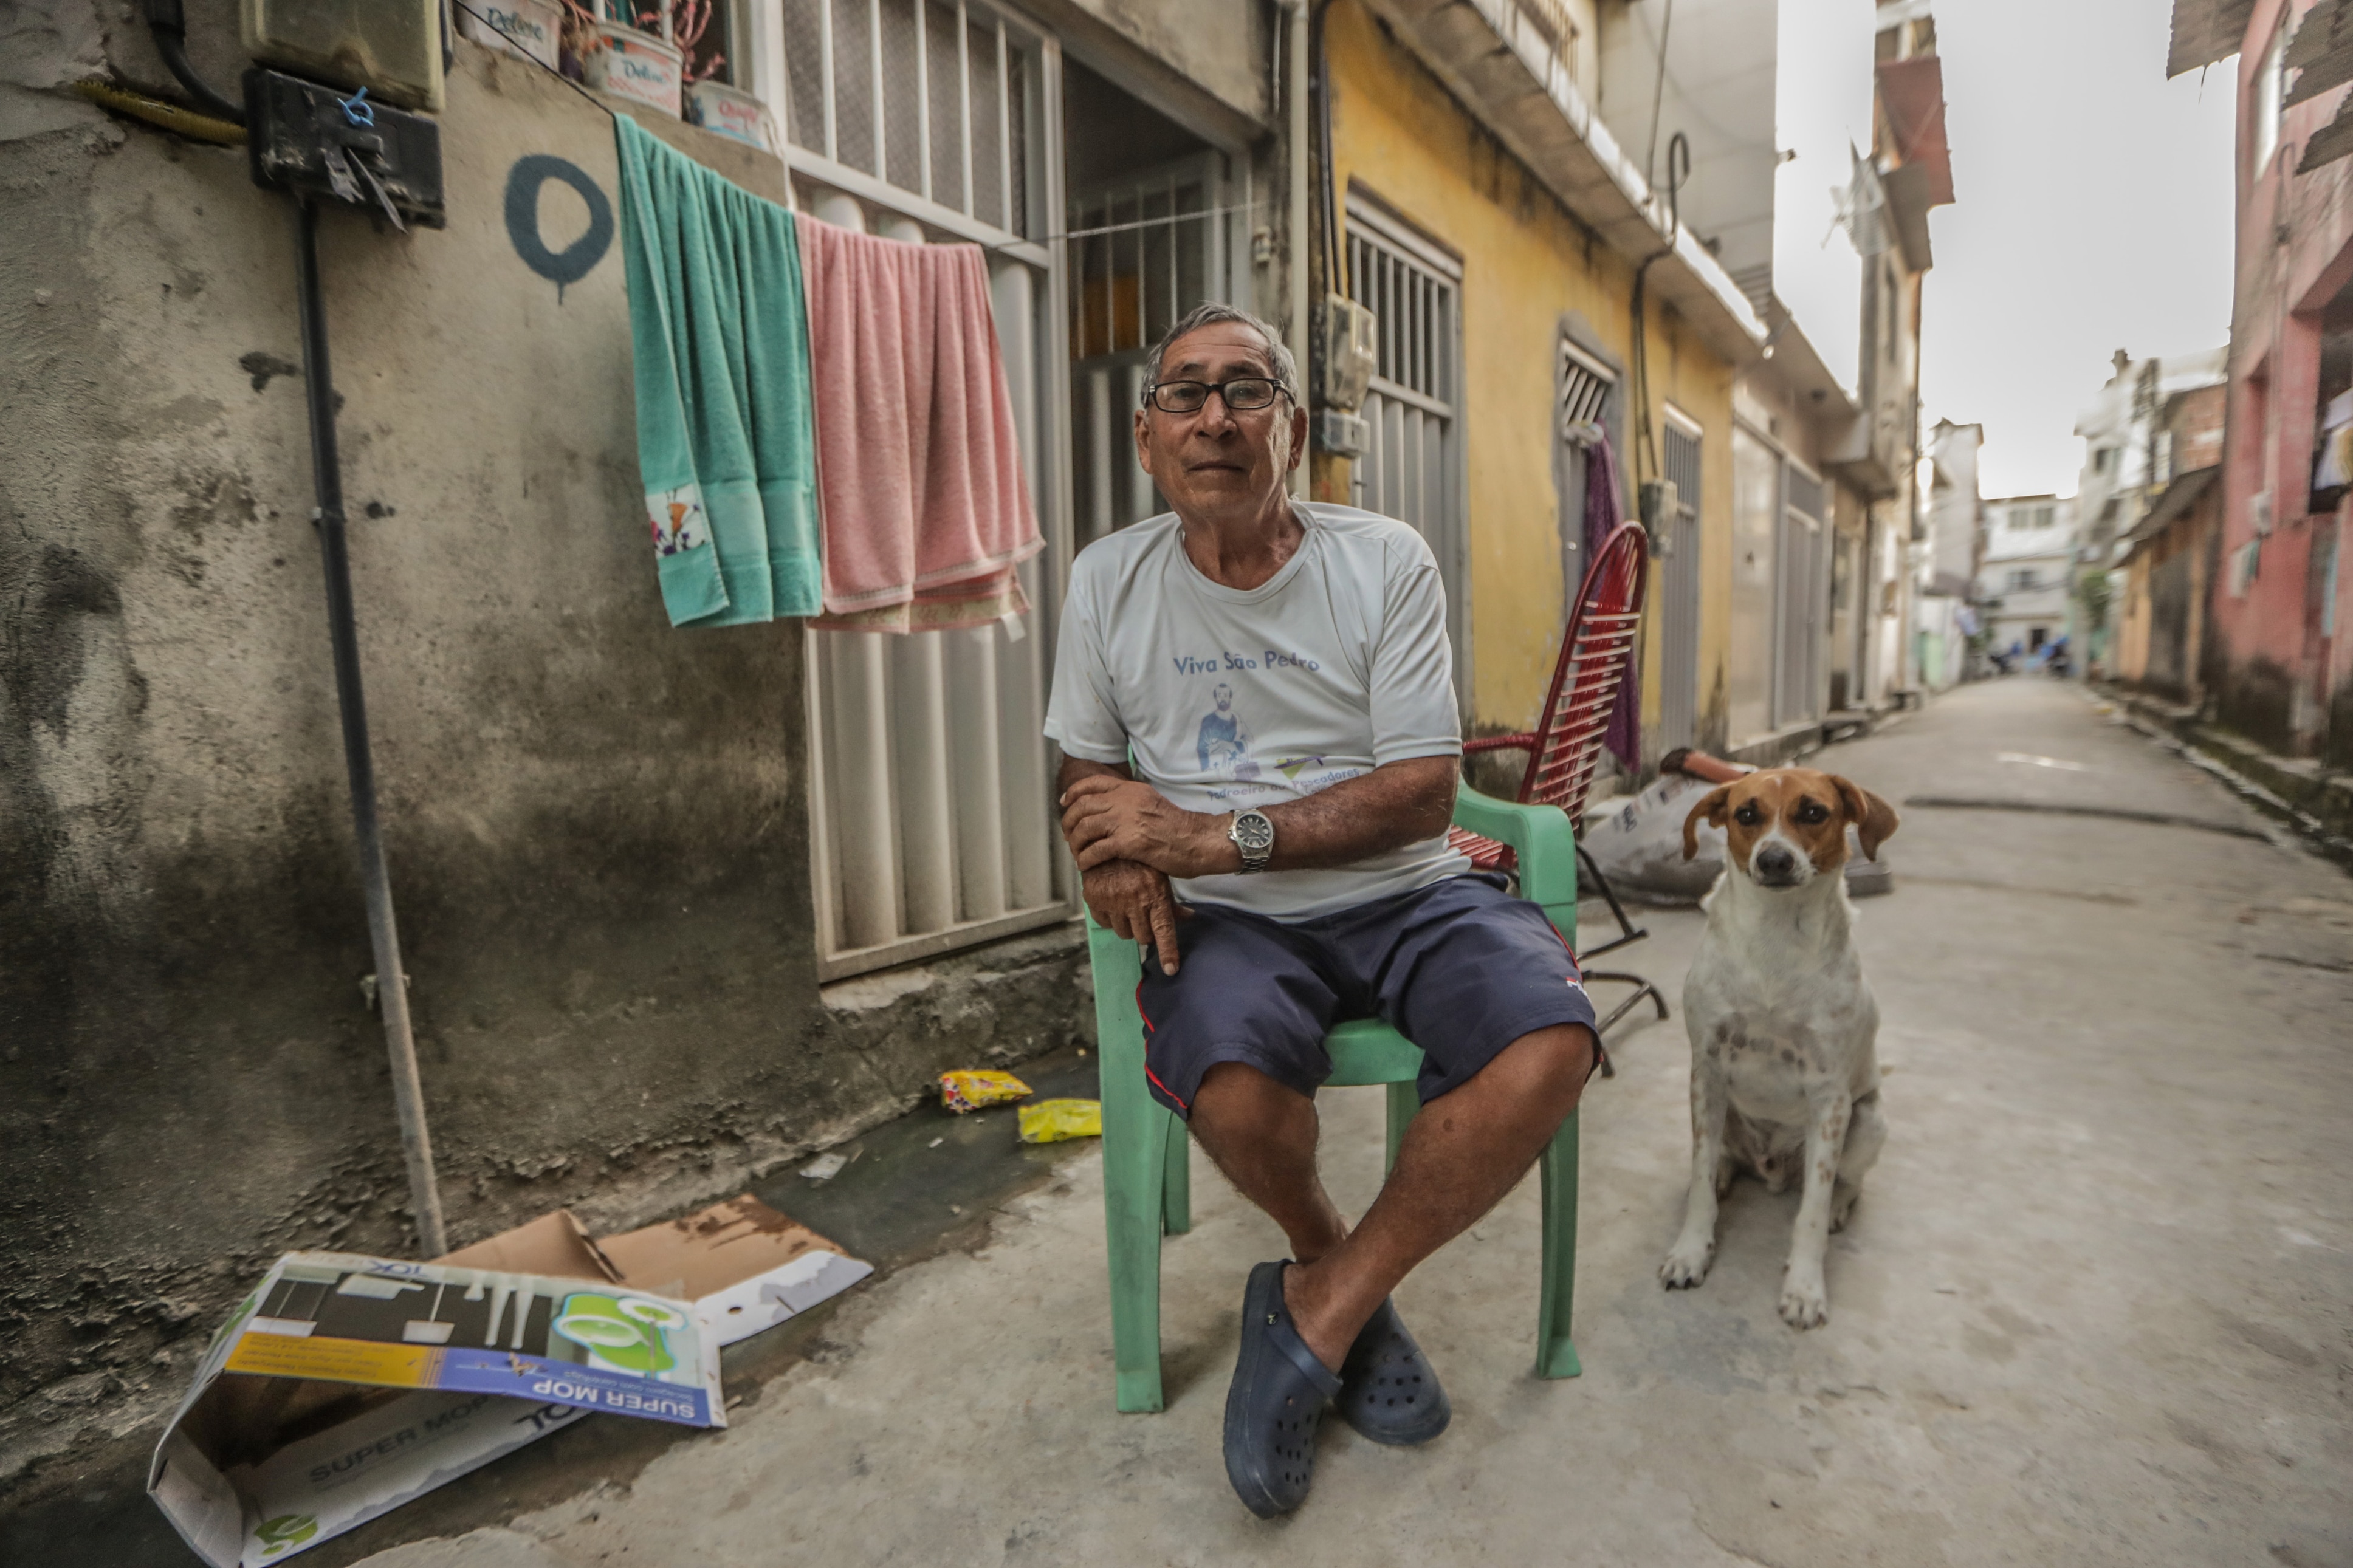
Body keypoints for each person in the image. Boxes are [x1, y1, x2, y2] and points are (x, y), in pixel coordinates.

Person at [1045, 303, 1601, 1518]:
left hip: (1407, 893)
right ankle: (1325, 1255)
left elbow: (1417, 793)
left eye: (1247, 390)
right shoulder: (1108, 581)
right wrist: (1107, 846)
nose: (1215, 418)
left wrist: (1210, 836)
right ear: (1147, 439)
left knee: (1550, 1040)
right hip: (1231, 925)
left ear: (1291, 429)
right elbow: (1082, 766)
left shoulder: (1382, 559)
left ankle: (1324, 1307)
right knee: (1236, 1089)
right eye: (1185, 395)